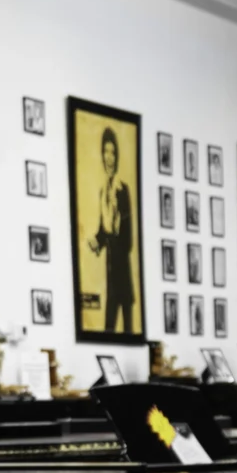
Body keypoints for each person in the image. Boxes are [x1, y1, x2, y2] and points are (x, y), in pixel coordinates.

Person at [88, 126, 134, 333]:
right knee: (108, 328)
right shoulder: (102, 193)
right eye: (105, 152)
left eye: (113, 152)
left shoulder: (123, 191)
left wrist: (110, 235)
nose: (109, 157)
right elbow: (103, 231)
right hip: (110, 273)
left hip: (122, 273)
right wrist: (96, 241)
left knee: (128, 329)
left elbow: (128, 239)